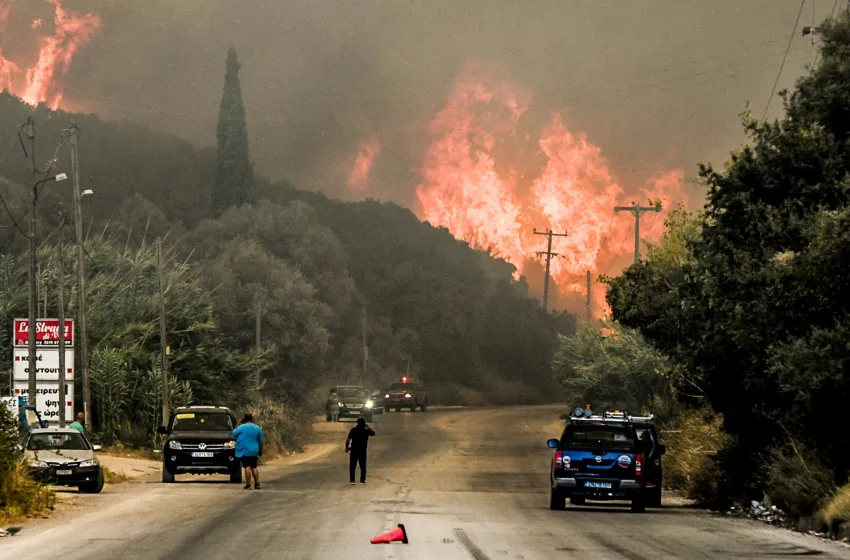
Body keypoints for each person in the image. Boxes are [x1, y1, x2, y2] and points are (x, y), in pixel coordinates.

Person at [232, 414, 264, 490]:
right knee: (254, 467)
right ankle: (257, 484)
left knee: (247, 467)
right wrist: (260, 451)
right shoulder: (257, 428)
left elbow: (233, 433)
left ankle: (248, 485)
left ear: (245, 419)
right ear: (252, 419)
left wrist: (238, 423)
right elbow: (261, 441)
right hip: (254, 450)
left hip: (244, 450)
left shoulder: (241, 427)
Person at [345, 417, 375, 485]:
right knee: (363, 467)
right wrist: (368, 426)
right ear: (364, 424)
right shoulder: (366, 431)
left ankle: (352, 480)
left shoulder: (353, 430)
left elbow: (348, 439)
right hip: (362, 451)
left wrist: (347, 447)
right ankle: (362, 480)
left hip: (354, 451)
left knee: (352, 467)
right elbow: (373, 433)